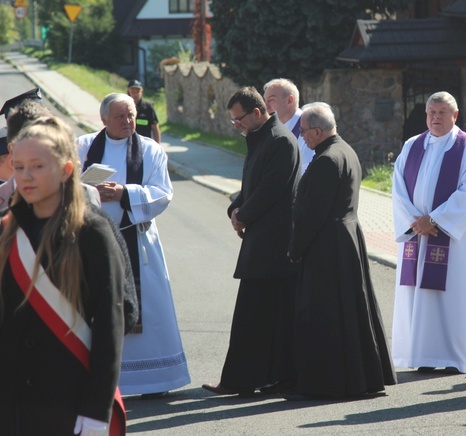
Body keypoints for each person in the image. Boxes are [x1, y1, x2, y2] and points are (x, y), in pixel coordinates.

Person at [0, 116, 126, 435]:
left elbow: (110, 325)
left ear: (66, 170)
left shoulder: (92, 232)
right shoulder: (8, 232)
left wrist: (96, 411)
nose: (26, 177)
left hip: (70, 401)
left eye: (38, 166)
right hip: (15, 403)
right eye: (19, 167)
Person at [77, 93, 189, 397]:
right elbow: (67, 185)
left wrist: (125, 193)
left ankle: (156, 380)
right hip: (93, 242)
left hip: (137, 240)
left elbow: (162, 193)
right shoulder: (84, 146)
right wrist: (91, 191)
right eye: (120, 117)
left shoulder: (151, 150)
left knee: (149, 307)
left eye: (131, 115)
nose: (128, 122)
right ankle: (104, 379)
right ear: (103, 120)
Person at [286, 102, 396, 399]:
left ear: (318, 131)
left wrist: (295, 249)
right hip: (346, 239)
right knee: (351, 310)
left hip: (327, 245)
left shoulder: (325, 160)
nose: (302, 137)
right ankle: (361, 377)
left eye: (304, 131)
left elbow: (312, 214)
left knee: (325, 313)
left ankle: (328, 382)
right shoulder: (345, 150)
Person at [202, 86, 301, 397]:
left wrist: (243, 214)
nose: (236, 125)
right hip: (262, 241)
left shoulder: (281, 140)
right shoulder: (260, 138)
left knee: (258, 316)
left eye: (238, 119)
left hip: (273, 244)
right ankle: (259, 378)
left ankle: (244, 380)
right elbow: (250, 186)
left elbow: (271, 189)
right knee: (260, 316)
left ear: (257, 113)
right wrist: (235, 208)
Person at [391, 91, 466, 374]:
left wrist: (434, 219)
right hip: (417, 235)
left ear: (455, 115)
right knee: (418, 292)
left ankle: (454, 356)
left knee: (452, 293)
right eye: (432, 112)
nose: (436, 117)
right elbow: (398, 188)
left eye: (442, 112)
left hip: (452, 238)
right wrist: (415, 221)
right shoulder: (412, 146)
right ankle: (421, 353)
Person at [263, 78, 314, 174]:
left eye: (271, 100)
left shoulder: (310, 129)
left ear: (289, 101)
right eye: (265, 100)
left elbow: (306, 173)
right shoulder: (271, 130)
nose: (266, 106)